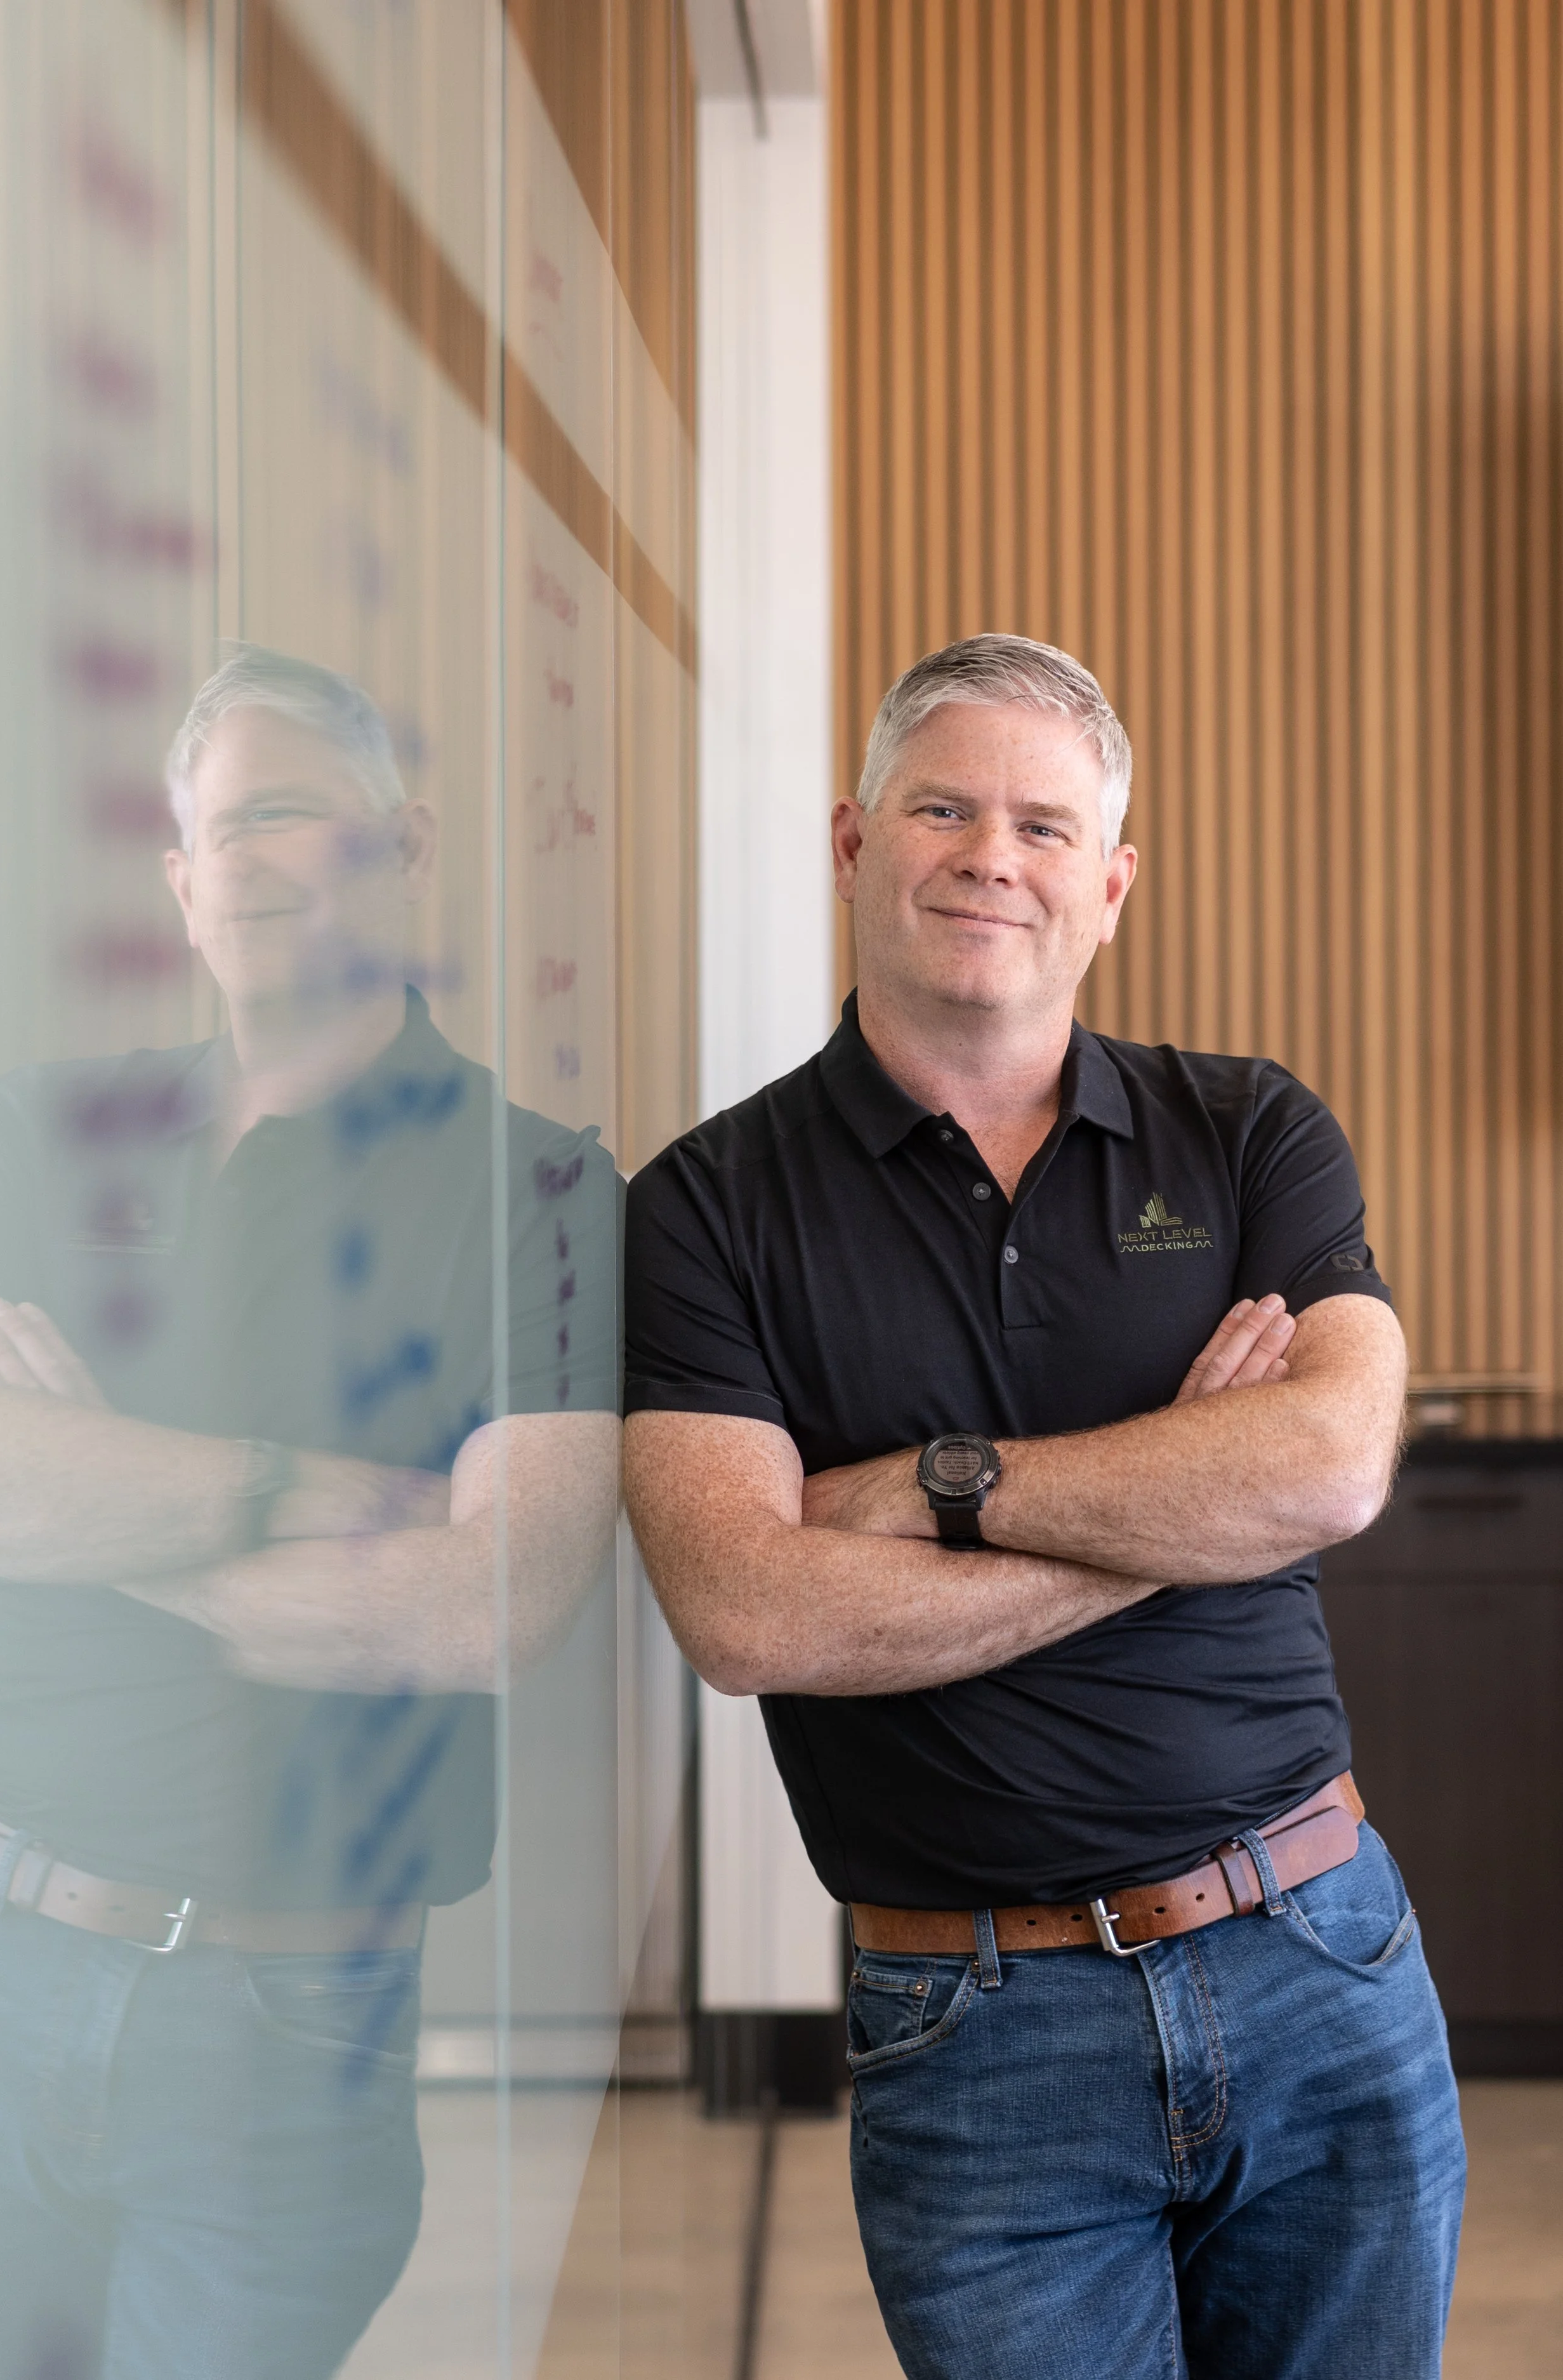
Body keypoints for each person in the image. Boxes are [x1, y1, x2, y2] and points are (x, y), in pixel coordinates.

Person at [624, 635, 1464, 2380]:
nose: (988, 855)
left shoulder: (1247, 1132)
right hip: (974, 2025)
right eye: (941, 806)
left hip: (1319, 1954)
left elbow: (1326, 1463)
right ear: (854, 843)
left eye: (1041, 822)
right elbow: (746, 1613)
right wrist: (1172, 1490)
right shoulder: (703, 1208)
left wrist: (939, 1489)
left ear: (1110, 881)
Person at [0, 647, 618, 2380]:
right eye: (207, 832)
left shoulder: (543, 1186)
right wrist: (299, 1498)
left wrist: (99, 1482)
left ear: (398, 843)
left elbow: (483, 1609)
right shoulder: (39, 1133)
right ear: (174, 886)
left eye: (285, 812)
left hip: (286, 2014)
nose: (243, 860)